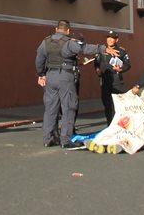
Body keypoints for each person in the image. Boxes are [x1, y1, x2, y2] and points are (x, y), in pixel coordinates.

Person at [35, 20, 112, 149]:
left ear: (56, 29)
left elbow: (39, 59)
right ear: (68, 31)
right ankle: (65, 139)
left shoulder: (45, 42)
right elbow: (84, 48)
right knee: (68, 107)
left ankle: (48, 139)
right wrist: (102, 48)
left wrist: (41, 74)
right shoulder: (69, 43)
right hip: (65, 76)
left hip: (50, 76)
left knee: (50, 108)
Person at [95, 30, 131, 126]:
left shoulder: (122, 51)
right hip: (105, 80)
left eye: (112, 38)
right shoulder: (102, 50)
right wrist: (97, 69)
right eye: (108, 38)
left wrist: (121, 69)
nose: (110, 40)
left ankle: (118, 126)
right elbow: (96, 62)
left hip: (116, 80)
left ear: (116, 40)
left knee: (118, 105)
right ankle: (109, 125)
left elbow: (128, 65)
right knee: (107, 105)